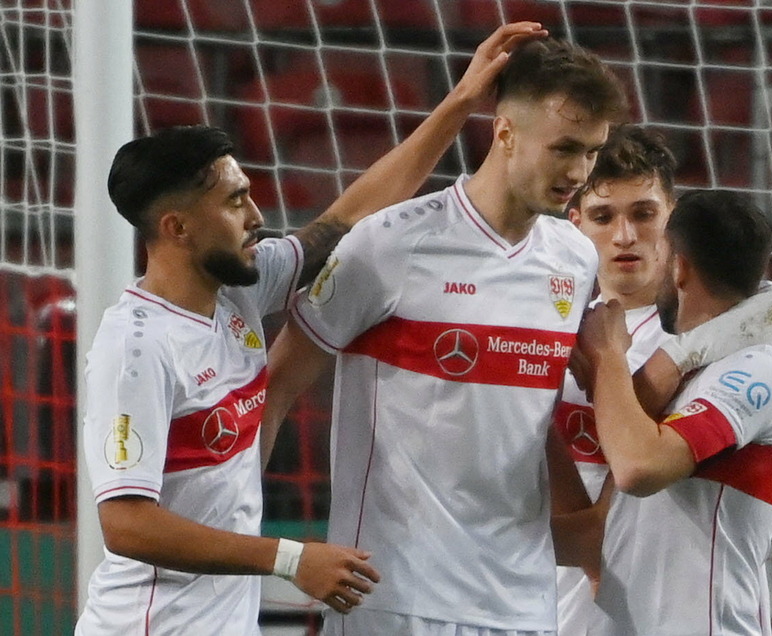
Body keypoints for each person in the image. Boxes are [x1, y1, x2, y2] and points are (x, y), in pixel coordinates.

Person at [74, 22, 548, 636]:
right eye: (233, 201)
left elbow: (350, 214)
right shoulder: (135, 349)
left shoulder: (239, 293)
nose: (256, 215)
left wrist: (460, 102)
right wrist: (291, 558)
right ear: (177, 228)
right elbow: (127, 526)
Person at [263, 37, 628, 635]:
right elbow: (277, 384)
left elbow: (532, 421)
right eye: (563, 148)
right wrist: (234, 530)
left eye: (591, 152)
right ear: (504, 132)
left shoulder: (574, 258)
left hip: (523, 604)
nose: (578, 173)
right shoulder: (391, 243)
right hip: (395, 597)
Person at [577, 189, 772, 635]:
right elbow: (591, 525)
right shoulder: (684, 370)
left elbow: (638, 467)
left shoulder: (762, 369)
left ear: (679, 266)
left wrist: (607, 354)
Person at [551, 124, 677, 634]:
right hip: (534, 589)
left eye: (644, 213)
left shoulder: (697, 336)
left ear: (673, 217)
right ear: (576, 221)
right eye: (604, 216)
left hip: (645, 602)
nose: (625, 236)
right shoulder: (541, 320)